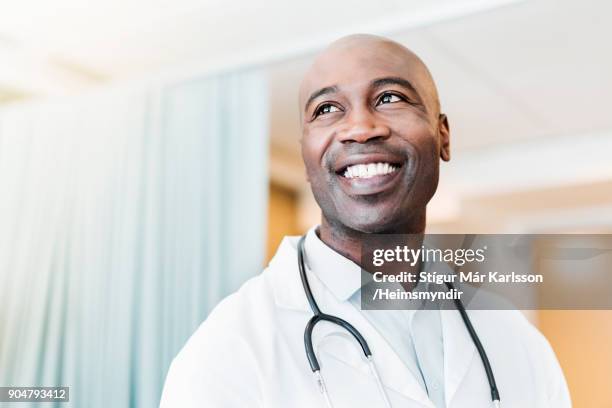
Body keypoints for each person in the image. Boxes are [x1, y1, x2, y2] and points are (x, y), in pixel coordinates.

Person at [160, 34, 571, 407]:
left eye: (390, 98)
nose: (359, 128)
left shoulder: (517, 342)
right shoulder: (228, 353)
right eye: (327, 108)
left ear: (443, 135)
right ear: (306, 156)